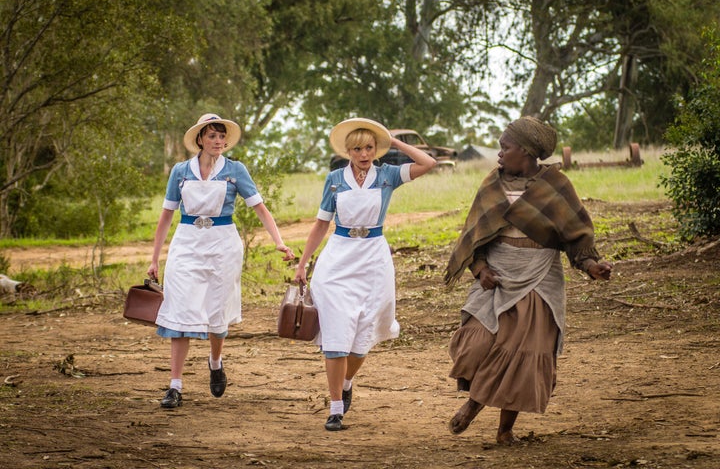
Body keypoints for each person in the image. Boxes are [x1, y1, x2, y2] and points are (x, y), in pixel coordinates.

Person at [443, 116, 612, 444]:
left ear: (527, 150)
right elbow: (473, 235)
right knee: (478, 343)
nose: (500, 153)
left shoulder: (556, 186)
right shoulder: (493, 183)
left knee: (524, 353)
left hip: (539, 277)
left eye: (505, 147)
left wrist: (591, 265)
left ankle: (500, 427)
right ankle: (478, 403)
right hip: (499, 274)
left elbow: (576, 236)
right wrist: (480, 270)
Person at [294, 118, 436, 431]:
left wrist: (393, 142)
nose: (364, 153)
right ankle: (334, 409)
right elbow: (320, 224)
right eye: (357, 148)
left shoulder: (387, 175)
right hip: (338, 259)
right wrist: (303, 263)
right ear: (348, 150)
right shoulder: (334, 179)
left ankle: (347, 382)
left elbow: (429, 162)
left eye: (369, 147)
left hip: (373, 259)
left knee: (363, 337)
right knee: (336, 334)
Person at [148, 113, 295, 409]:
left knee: (217, 311)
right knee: (180, 310)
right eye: (212, 136)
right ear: (200, 139)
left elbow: (260, 208)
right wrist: (154, 259)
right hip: (187, 242)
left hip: (222, 244)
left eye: (222, 136)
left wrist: (278, 241)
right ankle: (175, 386)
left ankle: (215, 362)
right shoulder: (180, 171)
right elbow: (166, 216)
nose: (218, 141)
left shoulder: (235, 170)